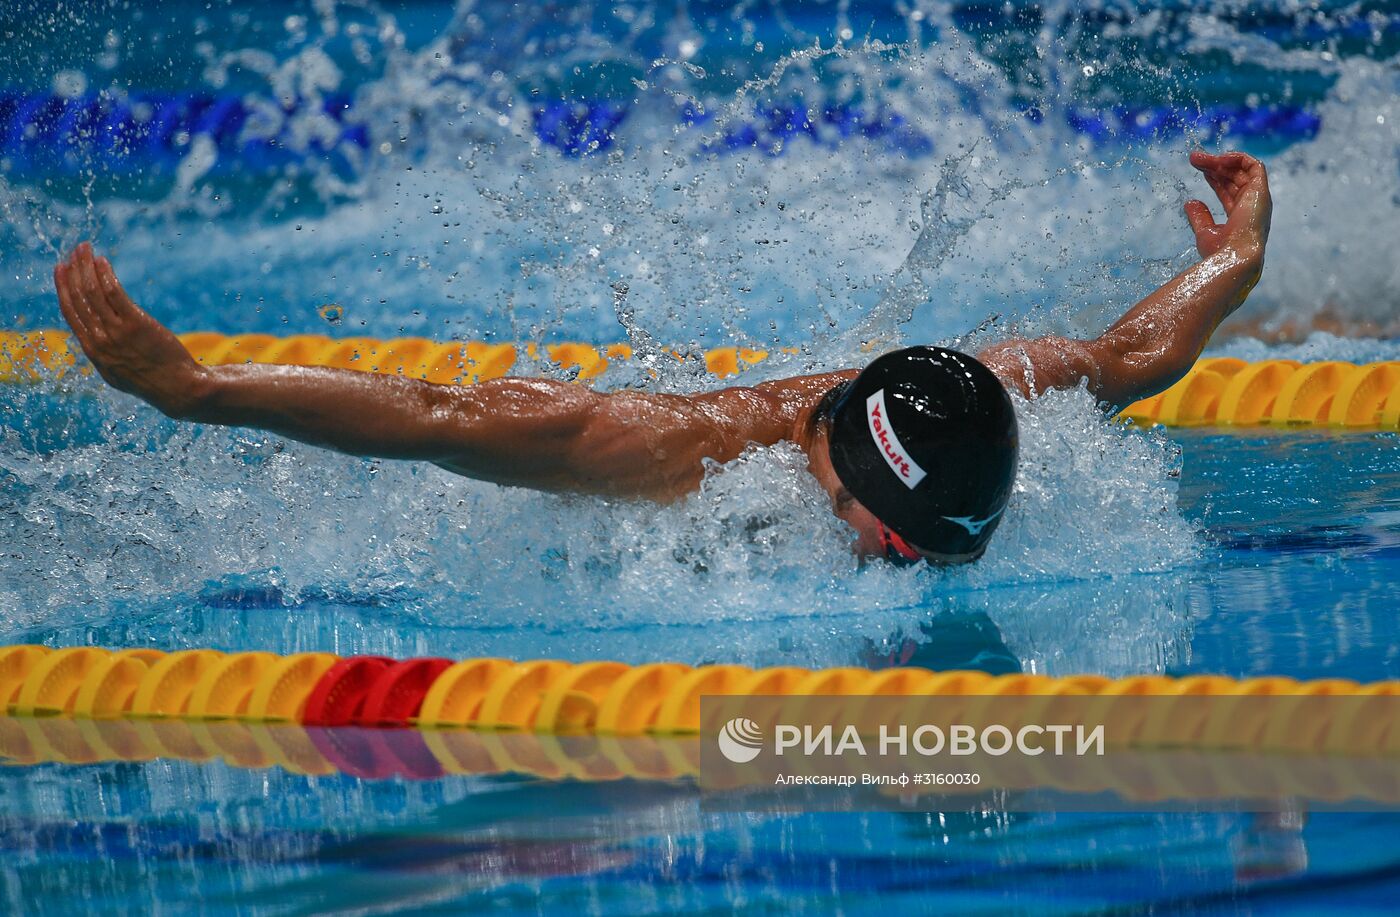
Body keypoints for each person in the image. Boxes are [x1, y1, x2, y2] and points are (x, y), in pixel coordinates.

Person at [52, 150, 1271, 566]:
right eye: (898, 544)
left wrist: (1237, 258)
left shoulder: (978, 396)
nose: (903, 566)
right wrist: (192, 388)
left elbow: (1127, 354)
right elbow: (432, 411)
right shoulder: (664, 458)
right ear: (839, 479)